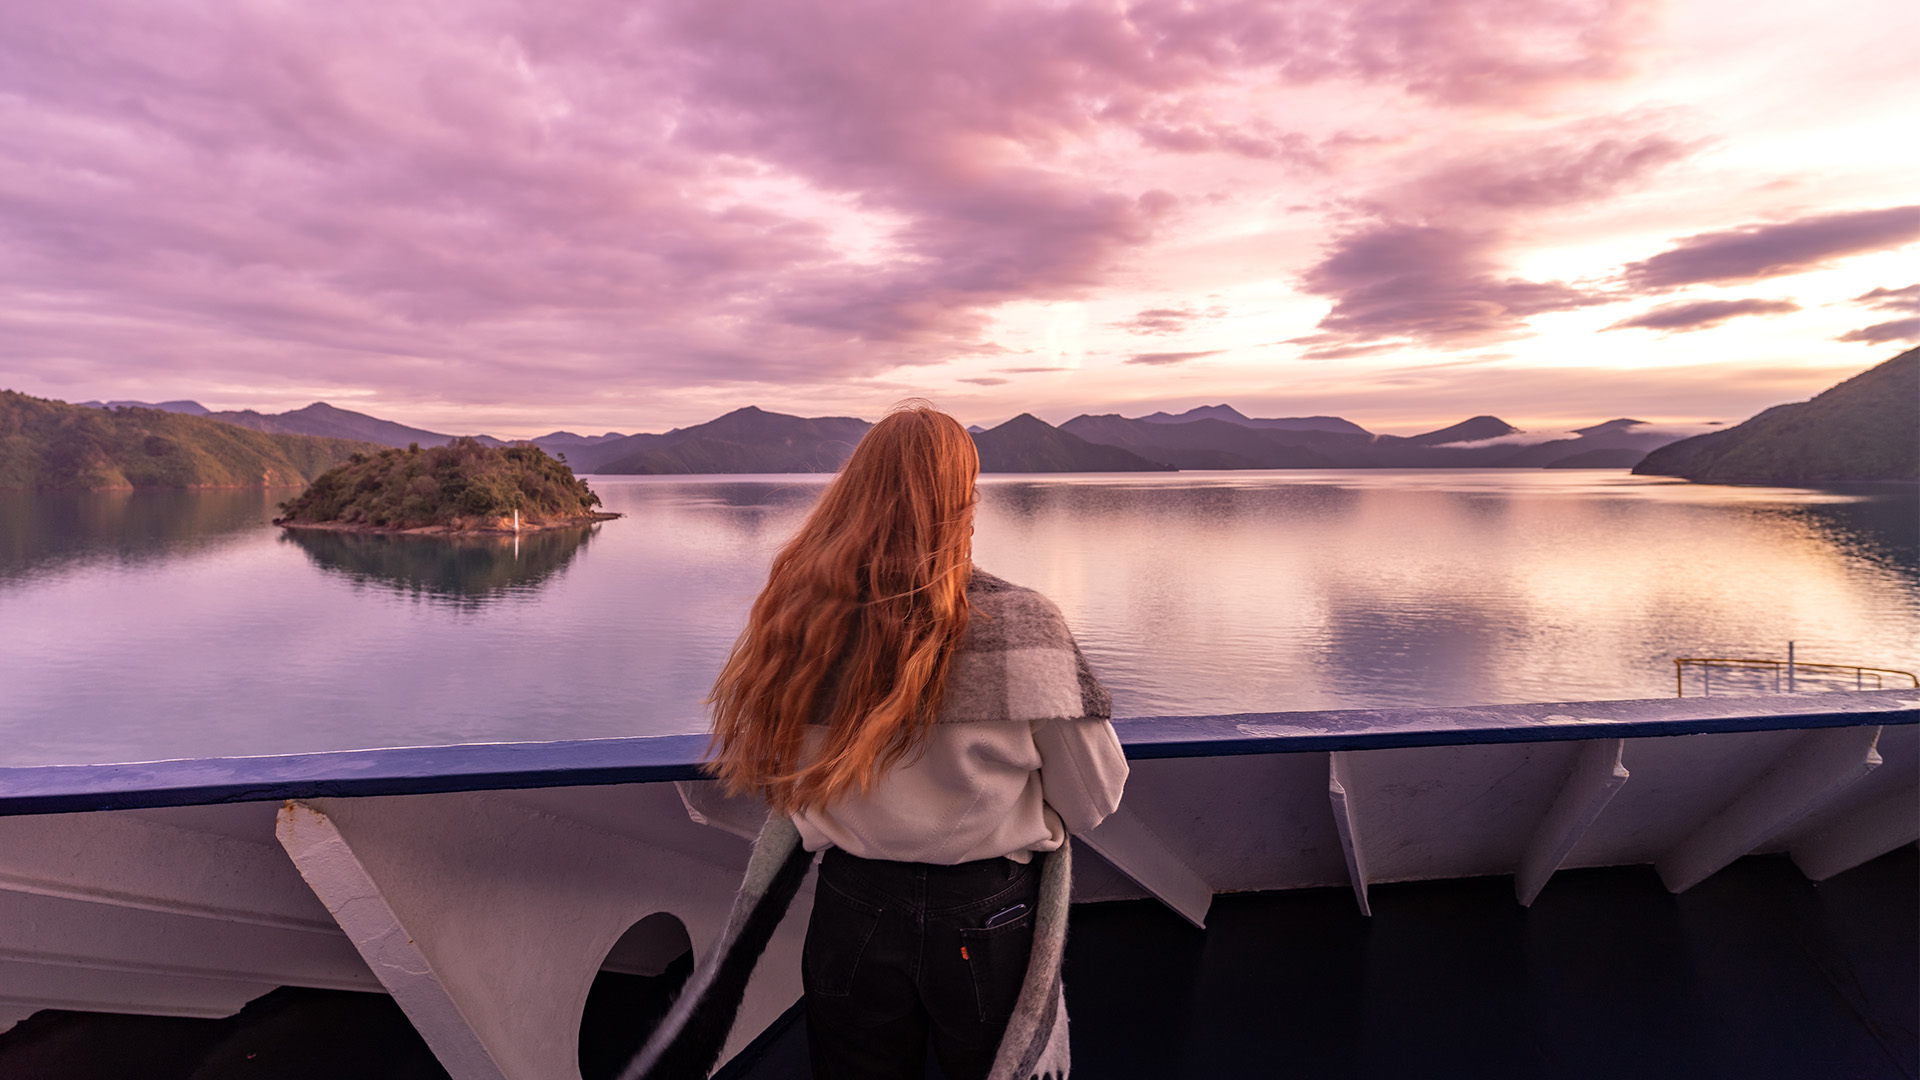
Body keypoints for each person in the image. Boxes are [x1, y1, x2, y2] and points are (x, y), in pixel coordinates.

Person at [702, 402, 1128, 1080]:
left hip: (851, 908)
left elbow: (777, 771)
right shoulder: (1024, 626)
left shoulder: (799, 629)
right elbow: (1094, 798)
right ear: (963, 502)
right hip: (987, 915)